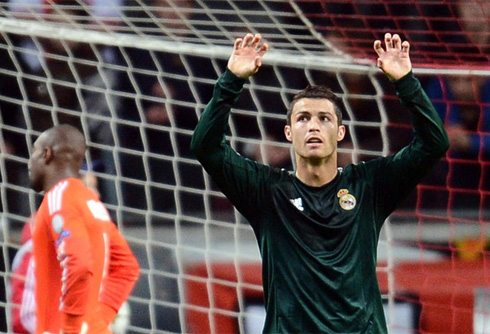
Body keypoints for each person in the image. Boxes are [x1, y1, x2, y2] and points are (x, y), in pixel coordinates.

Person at [190, 32, 449, 333]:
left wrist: (406, 82)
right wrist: (232, 79)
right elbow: (205, 146)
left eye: (324, 118)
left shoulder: (368, 185)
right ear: (289, 133)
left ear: (340, 133)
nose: (313, 125)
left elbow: (433, 144)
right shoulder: (266, 190)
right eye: (303, 119)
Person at [28, 124, 140, 334]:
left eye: (33, 151)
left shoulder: (59, 197)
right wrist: (97, 320)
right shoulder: (91, 201)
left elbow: (77, 263)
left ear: (46, 154)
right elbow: (127, 267)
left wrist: (71, 328)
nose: (29, 162)